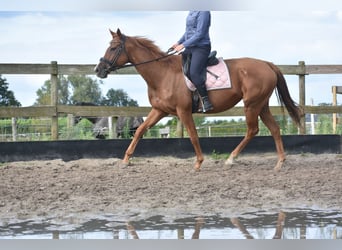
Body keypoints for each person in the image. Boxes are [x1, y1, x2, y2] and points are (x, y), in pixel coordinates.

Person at [172, 11, 213, 112]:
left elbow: (200, 33)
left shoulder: (204, 12)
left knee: (194, 73)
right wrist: (178, 42)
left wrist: (183, 45)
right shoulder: (192, 11)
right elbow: (188, 31)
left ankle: (205, 100)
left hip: (201, 47)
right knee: (181, 69)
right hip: (190, 46)